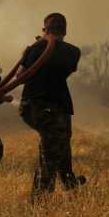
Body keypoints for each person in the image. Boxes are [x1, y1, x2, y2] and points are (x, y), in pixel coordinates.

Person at [18, 13, 85, 201]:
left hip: (36, 105)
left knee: (60, 145)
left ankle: (68, 181)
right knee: (54, 147)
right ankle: (40, 199)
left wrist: (28, 53)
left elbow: (20, 77)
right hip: (50, 106)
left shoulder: (35, 49)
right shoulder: (73, 52)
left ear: (45, 30)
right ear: (64, 31)